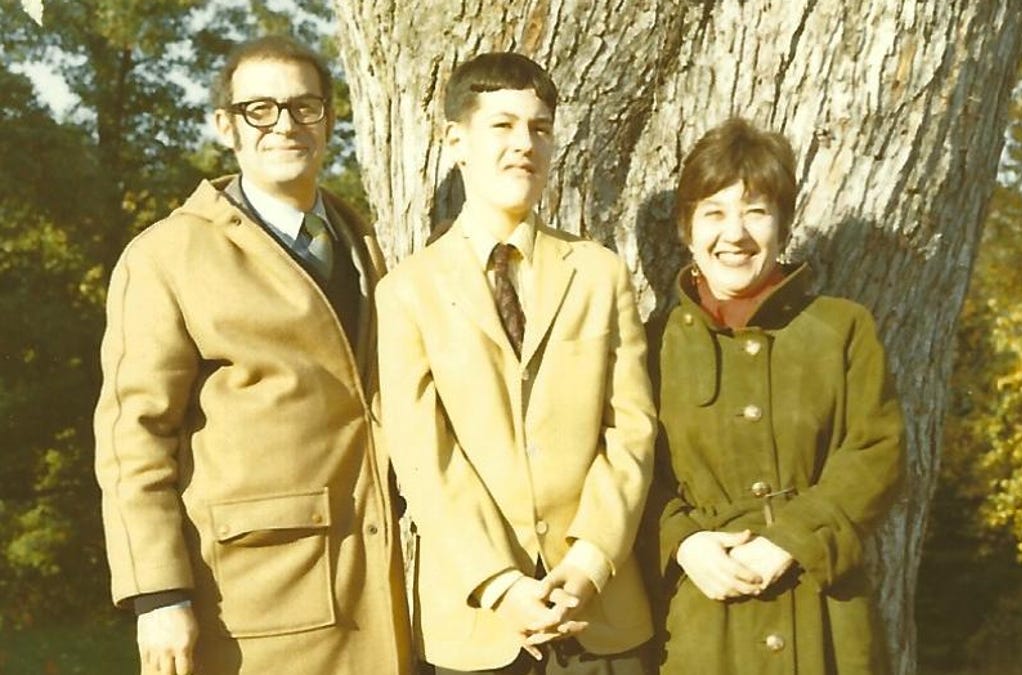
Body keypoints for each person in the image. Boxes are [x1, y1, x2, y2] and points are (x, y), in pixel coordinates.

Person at [94, 35, 411, 675]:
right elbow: (134, 436)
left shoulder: (367, 243)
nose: (285, 125)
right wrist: (158, 595)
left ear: (329, 119)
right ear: (226, 126)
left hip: (384, 582)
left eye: (304, 107)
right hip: (255, 599)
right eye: (259, 110)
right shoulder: (167, 256)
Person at [376, 52, 657, 674]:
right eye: (501, 125)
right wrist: (502, 584)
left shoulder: (599, 274)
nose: (524, 144)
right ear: (457, 141)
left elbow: (631, 431)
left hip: (599, 611)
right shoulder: (407, 291)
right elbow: (424, 458)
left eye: (539, 128)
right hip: (477, 620)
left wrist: (590, 560)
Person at [649, 118, 905, 673]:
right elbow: (628, 470)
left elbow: (876, 453)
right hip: (702, 618)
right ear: (686, 229)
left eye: (756, 212)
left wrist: (792, 540)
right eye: (714, 213)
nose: (735, 234)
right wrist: (684, 542)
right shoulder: (652, 344)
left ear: (783, 226)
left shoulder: (841, 329)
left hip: (824, 614)